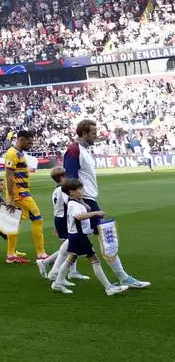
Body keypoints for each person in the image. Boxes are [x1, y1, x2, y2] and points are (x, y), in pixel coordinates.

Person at [61, 119, 148, 288]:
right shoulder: (74, 150)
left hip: (87, 199)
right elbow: (70, 180)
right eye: (93, 133)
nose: (96, 135)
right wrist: (81, 202)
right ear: (84, 133)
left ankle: (54, 273)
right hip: (85, 200)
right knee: (106, 236)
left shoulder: (82, 150)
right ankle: (124, 277)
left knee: (76, 239)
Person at [48, 178, 127, 296]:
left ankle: (57, 283)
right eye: (79, 189)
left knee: (70, 259)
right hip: (80, 237)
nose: (82, 191)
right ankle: (109, 288)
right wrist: (96, 213)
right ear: (71, 192)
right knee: (95, 261)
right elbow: (79, 217)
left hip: (75, 236)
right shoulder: (73, 204)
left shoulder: (73, 201)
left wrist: (84, 204)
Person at [1, 130, 46, 265]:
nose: (31, 145)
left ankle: (11, 255)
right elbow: (9, 177)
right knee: (37, 219)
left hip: (20, 193)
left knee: (13, 222)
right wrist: (11, 198)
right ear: (21, 139)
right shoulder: (12, 154)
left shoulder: (18, 153)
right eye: (29, 142)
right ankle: (41, 254)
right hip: (20, 195)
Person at [38, 167, 89, 283]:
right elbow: (71, 200)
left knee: (69, 247)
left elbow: (57, 207)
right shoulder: (63, 189)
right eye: (66, 175)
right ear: (62, 177)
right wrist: (84, 204)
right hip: (64, 219)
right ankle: (49, 266)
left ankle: (71, 272)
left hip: (59, 219)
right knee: (69, 247)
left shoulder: (56, 190)